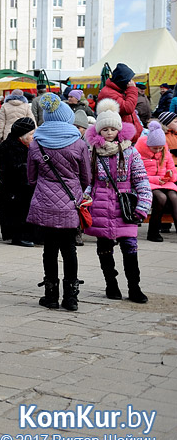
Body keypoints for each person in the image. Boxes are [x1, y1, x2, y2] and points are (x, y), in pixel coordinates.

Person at [27, 94, 92, 311]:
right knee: (69, 249)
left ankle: (51, 295)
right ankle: (71, 298)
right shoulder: (78, 142)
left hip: (45, 202)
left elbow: (31, 177)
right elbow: (86, 178)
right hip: (71, 203)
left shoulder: (37, 142)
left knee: (49, 250)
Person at [84, 99, 152, 303]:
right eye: (104, 129)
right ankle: (111, 284)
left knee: (130, 249)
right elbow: (88, 181)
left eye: (113, 128)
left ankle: (134, 287)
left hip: (125, 209)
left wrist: (143, 206)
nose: (109, 132)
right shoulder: (92, 153)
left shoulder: (130, 152)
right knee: (104, 250)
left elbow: (141, 180)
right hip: (100, 208)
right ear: (98, 131)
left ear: (119, 130)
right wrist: (84, 200)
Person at [0, 117, 37, 247]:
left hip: (24, 185)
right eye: (31, 134)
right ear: (21, 136)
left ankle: (33, 234)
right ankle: (18, 236)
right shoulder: (7, 147)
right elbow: (10, 173)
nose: (33, 137)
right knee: (22, 198)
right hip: (10, 189)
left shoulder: (28, 146)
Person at [140, 121, 177, 243]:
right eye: (155, 148)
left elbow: (172, 168)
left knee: (174, 197)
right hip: (148, 183)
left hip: (164, 182)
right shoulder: (140, 152)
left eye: (160, 148)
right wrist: (156, 179)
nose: (158, 150)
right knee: (161, 198)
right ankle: (153, 232)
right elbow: (139, 174)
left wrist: (170, 176)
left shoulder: (164, 151)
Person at [97, 63, 142, 144]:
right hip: (119, 138)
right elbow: (127, 108)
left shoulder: (118, 90)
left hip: (128, 137)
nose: (131, 82)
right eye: (129, 80)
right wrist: (132, 89)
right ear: (123, 81)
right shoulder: (108, 93)